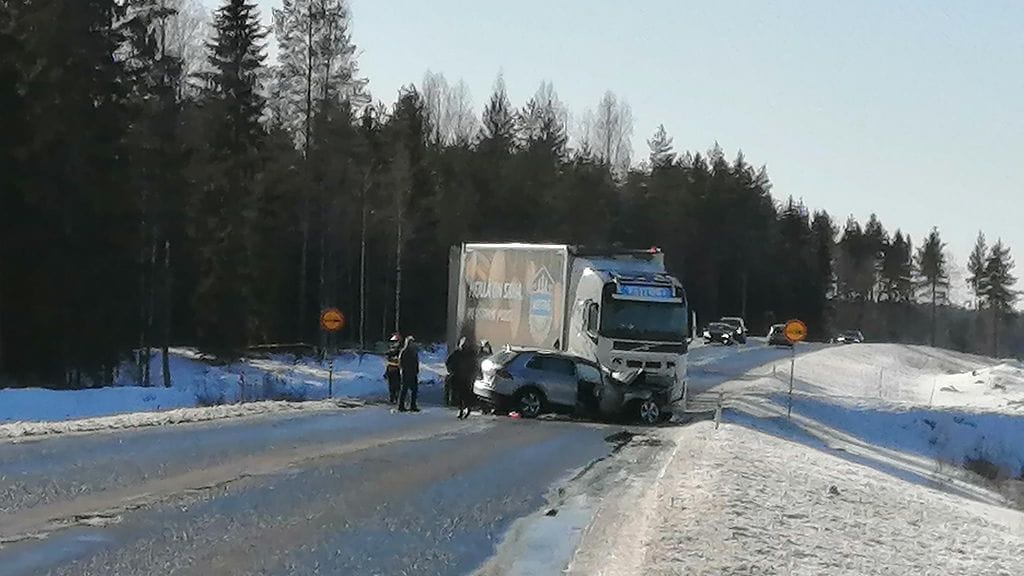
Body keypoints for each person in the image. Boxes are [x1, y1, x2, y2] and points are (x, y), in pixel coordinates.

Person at [446, 337, 478, 419]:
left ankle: (466, 408)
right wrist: (451, 370)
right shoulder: (457, 354)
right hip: (459, 377)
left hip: (466, 377)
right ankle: (462, 409)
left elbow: (475, 365)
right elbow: (448, 362)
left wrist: (473, 374)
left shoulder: (469, 354)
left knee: (465, 394)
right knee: (461, 395)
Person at [398, 335, 420, 412]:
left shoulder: (414, 352)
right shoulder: (404, 352)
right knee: (404, 390)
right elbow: (401, 362)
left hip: (413, 373)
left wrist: (416, 370)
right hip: (406, 373)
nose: (412, 344)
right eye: (410, 342)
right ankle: (401, 406)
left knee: (414, 390)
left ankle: (413, 405)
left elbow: (416, 362)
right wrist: (404, 369)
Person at [383, 333, 402, 404]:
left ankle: (394, 398)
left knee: (394, 386)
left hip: (395, 370)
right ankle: (394, 398)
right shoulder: (395, 351)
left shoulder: (398, 351)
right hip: (393, 370)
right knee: (394, 386)